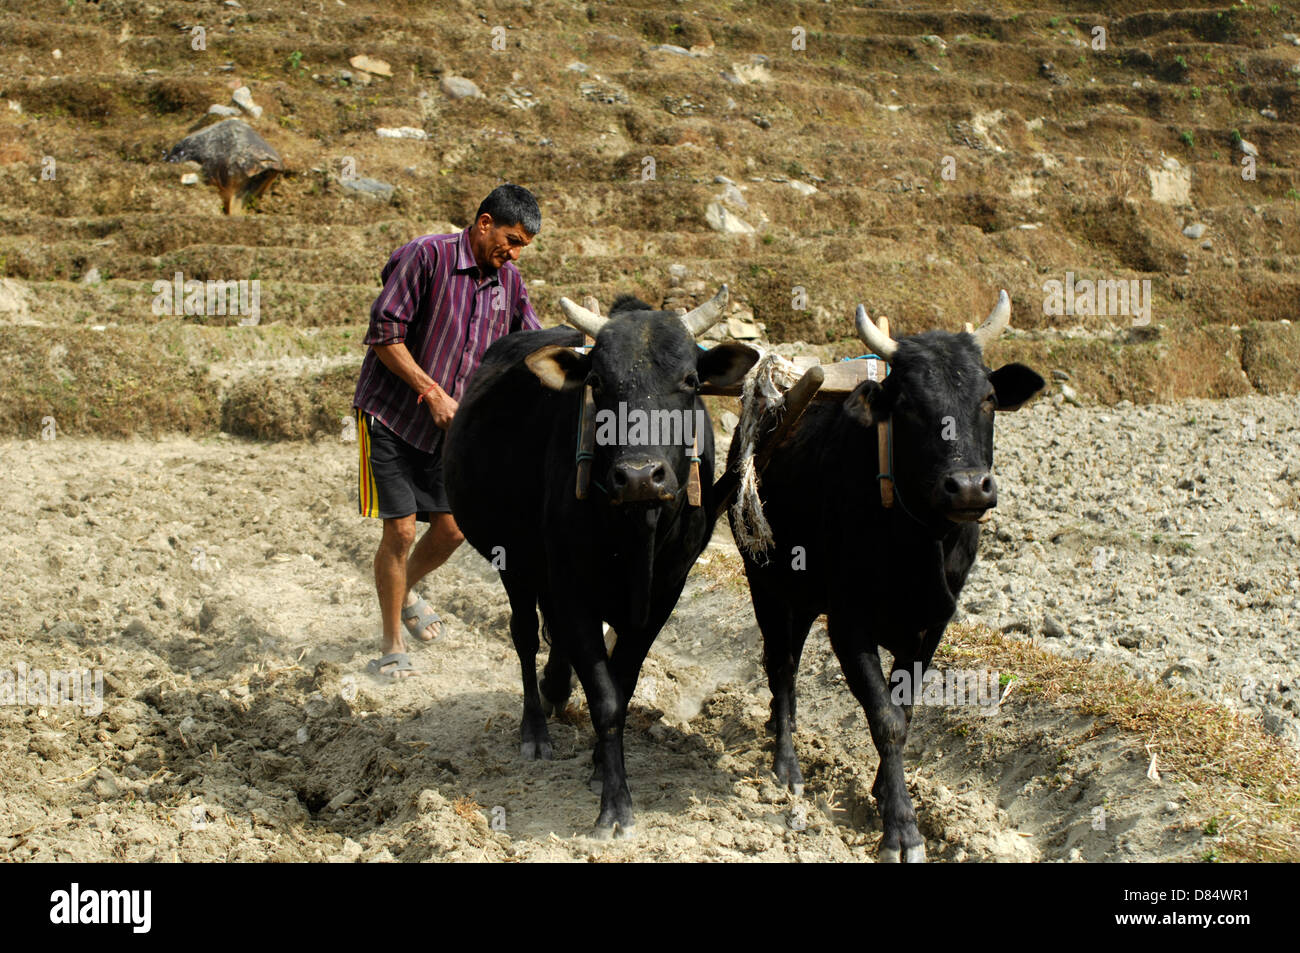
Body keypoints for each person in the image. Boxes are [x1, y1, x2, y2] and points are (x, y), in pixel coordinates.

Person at [352, 184, 542, 678]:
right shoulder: (426, 256)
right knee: (400, 529)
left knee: (455, 528)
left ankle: (405, 588)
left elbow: (533, 345)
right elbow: (383, 335)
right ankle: (392, 642)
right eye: (512, 239)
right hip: (392, 416)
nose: (515, 253)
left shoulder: (510, 285)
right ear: (484, 223)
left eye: (523, 246)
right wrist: (432, 393)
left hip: (452, 430)